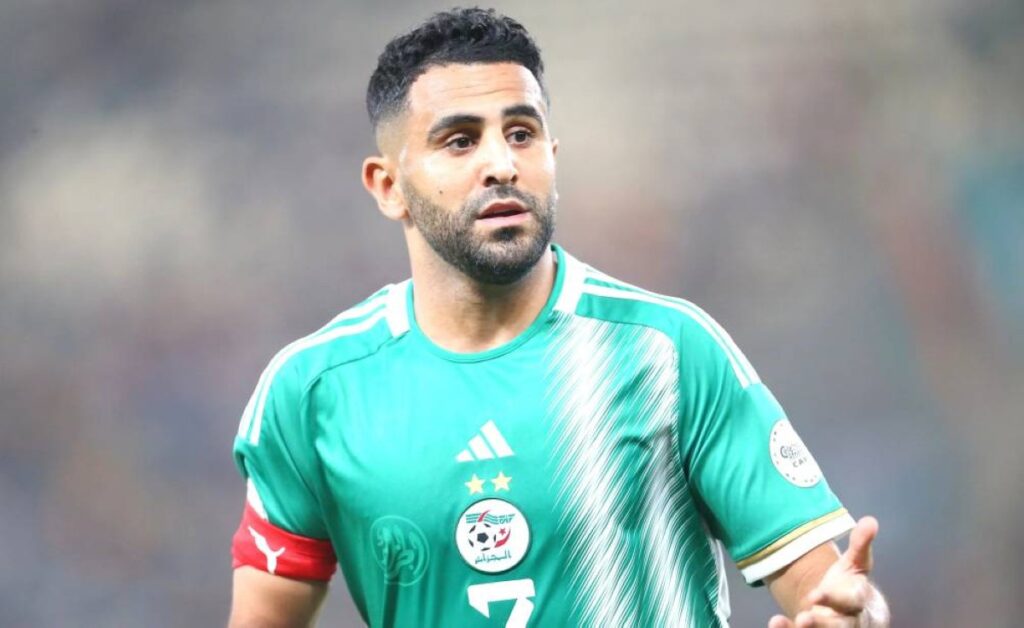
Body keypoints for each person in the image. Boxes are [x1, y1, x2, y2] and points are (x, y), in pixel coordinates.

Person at [228, 8, 890, 627]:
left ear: (551, 153)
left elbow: (828, 593)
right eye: (460, 141)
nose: (502, 164)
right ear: (388, 186)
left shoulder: (670, 352)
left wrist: (856, 615)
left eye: (522, 133)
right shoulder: (312, 390)